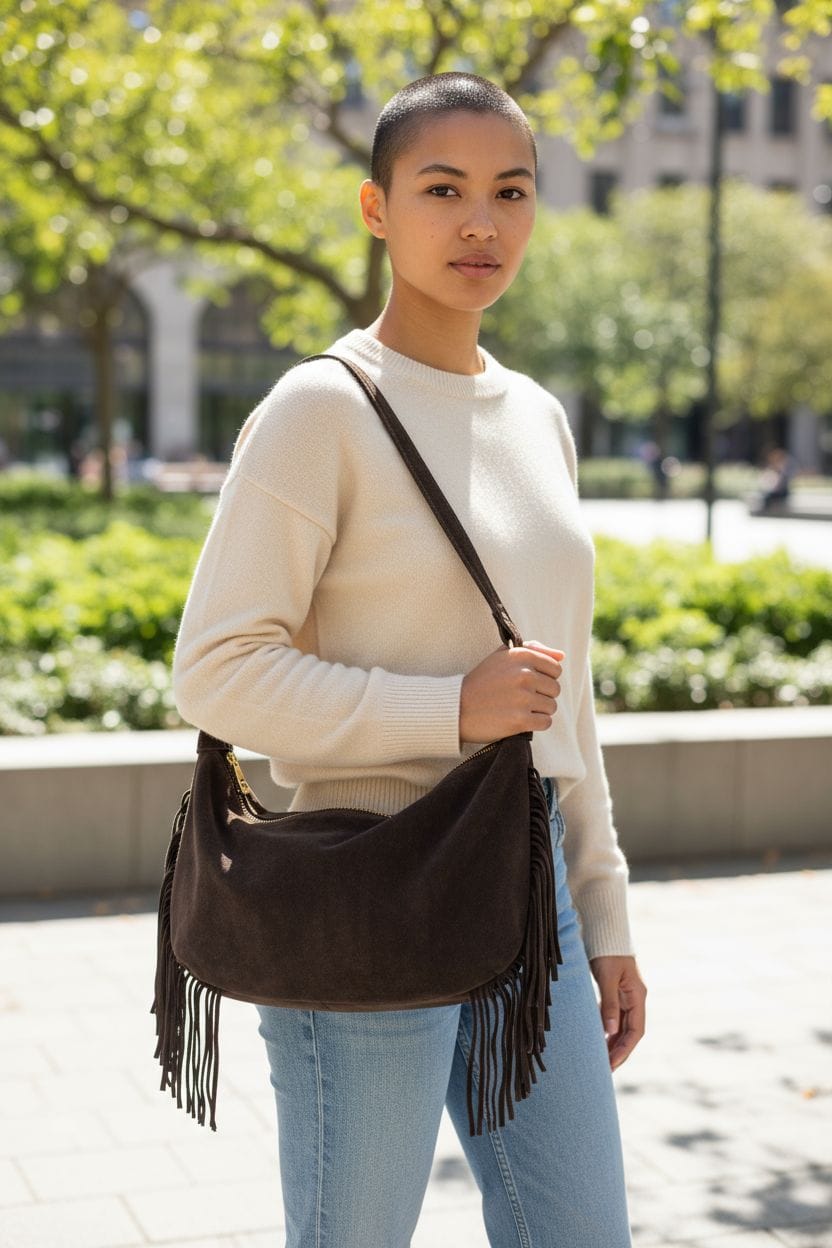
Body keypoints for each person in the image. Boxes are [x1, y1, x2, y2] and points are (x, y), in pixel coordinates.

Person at [173, 72, 647, 1248]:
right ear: (378, 208)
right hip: (371, 878)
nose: (480, 223)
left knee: (581, 1232)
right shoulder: (317, 408)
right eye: (442, 190)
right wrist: (448, 710)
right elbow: (216, 671)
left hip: (527, 885)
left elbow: (563, 697)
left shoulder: (537, 417)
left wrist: (606, 905)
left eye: (510, 192)